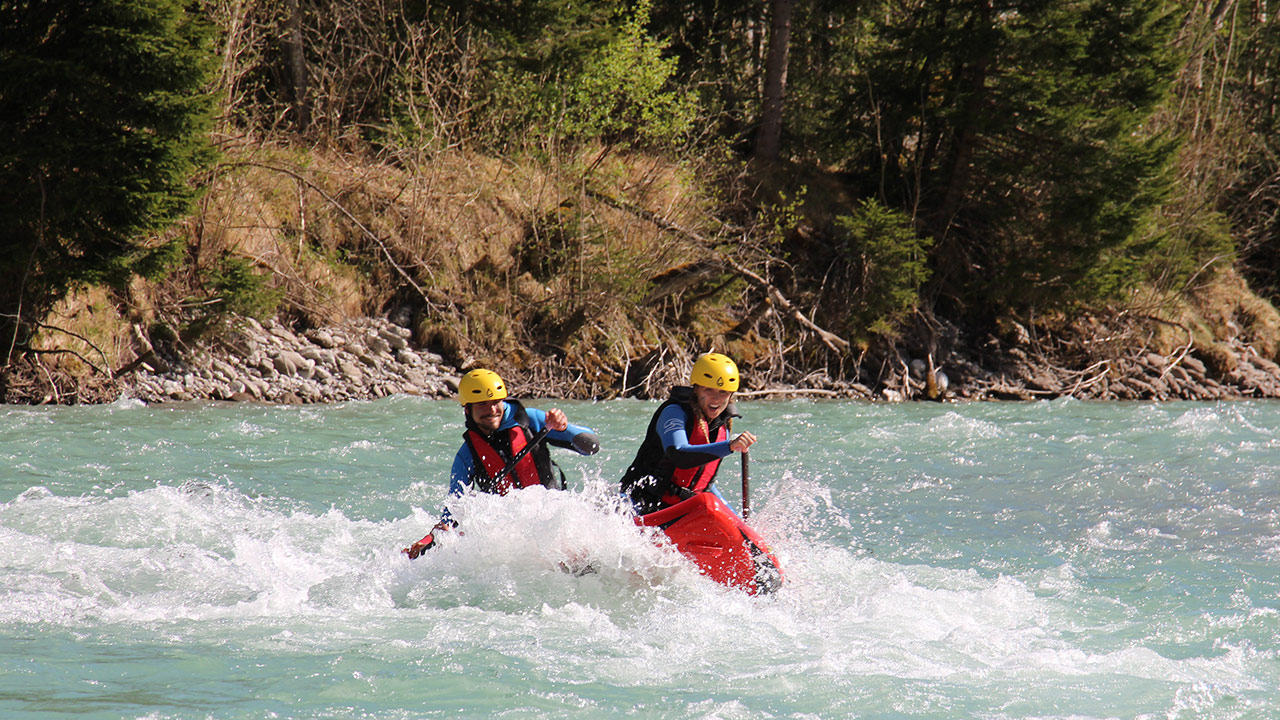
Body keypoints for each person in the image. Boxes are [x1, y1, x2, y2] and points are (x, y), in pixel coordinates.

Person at [403, 368, 600, 558]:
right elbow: (452, 513)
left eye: (495, 402)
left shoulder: (531, 420)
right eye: (481, 404)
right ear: (467, 409)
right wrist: (430, 539)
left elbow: (592, 446)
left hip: (554, 521)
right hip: (512, 538)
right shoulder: (467, 455)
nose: (491, 410)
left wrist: (563, 426)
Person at [618, 352, 756, 515]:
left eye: (723, 392)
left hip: (680, 510)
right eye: (709, 390)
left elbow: (703, 486)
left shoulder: (722, 426)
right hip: (639, 502)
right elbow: (679, 454)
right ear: (696, 388)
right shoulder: (674, 412)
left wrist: (736, 519)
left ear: (731, 395)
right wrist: (730, 446)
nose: (716, 399)